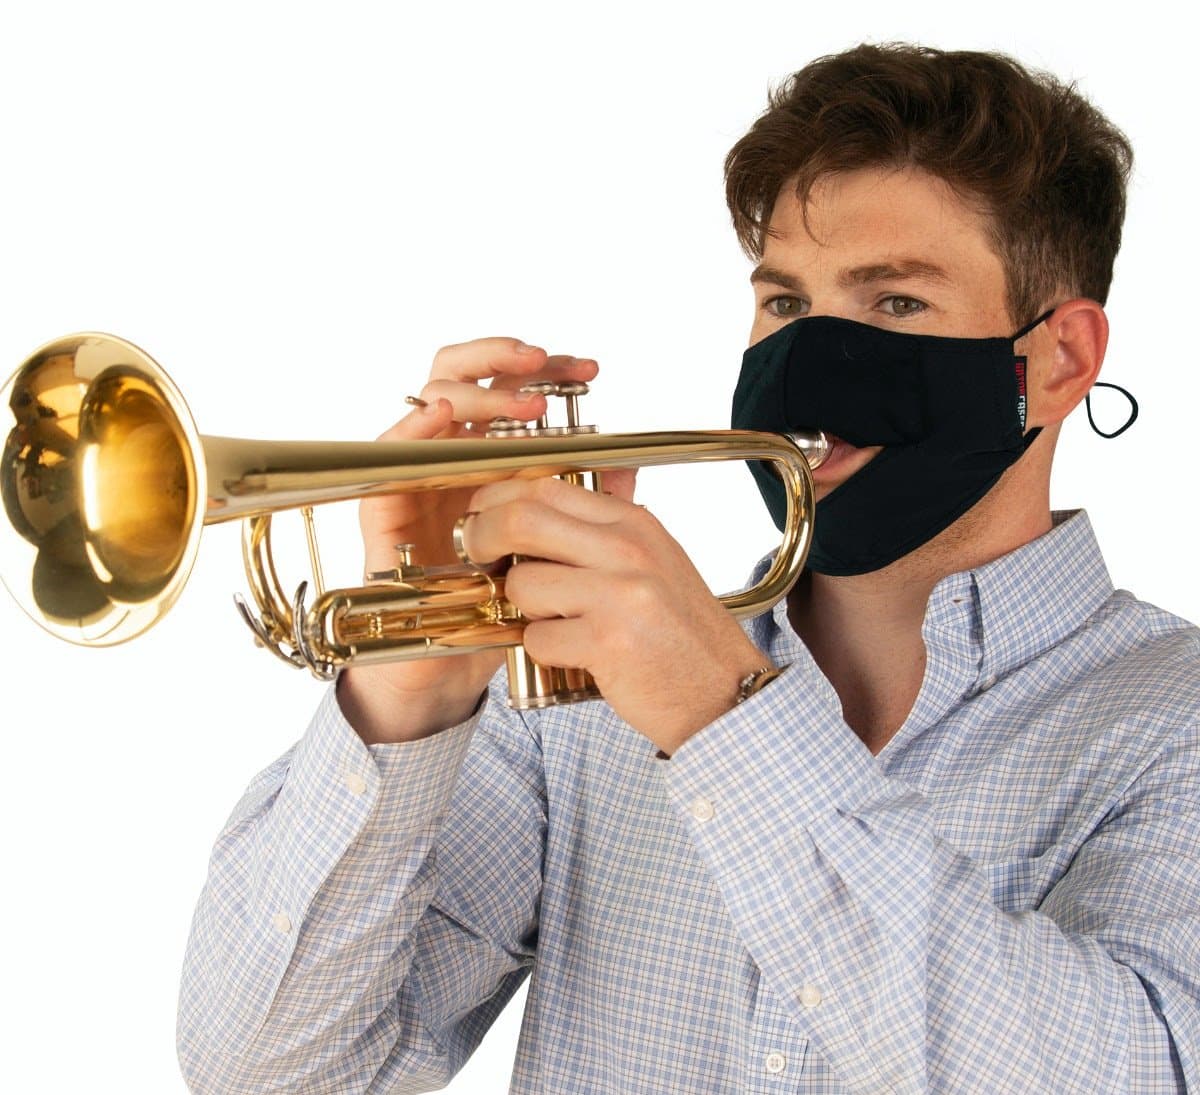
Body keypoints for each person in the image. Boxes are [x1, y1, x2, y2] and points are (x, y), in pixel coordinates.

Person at [177, 43, 1200, 1092]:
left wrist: (726, 719)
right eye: (786, 306)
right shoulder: (577, 698)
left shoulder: (1177, 721)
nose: (808, 363)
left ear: (1060, 360)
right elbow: (271, 1074)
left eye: (896, 303)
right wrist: (411, 696)